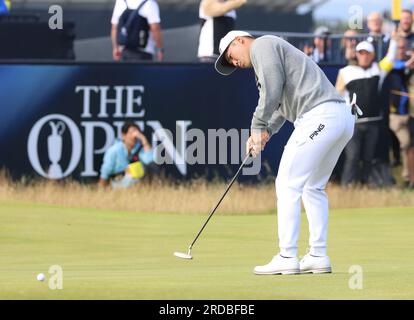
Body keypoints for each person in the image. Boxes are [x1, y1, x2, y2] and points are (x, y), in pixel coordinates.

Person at [215, 30, 356, 275]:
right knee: (313, 187)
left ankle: (287, 256)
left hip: (319, 117)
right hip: (340, 118)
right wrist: (267, 130)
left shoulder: (262, 45)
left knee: (287, 184)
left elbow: (270, 91)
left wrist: (257, 127)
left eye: (231, 56)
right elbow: (279, 103)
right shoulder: (269, 55)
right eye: (230, 63)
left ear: (240, 40)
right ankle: (317, 255)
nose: (234, 63)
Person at [336, 39, 397, 187]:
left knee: (369, 157)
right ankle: (348, 186)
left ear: (372, 55)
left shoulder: (378, 69)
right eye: (361, 53)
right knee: (353, 156)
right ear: (356, 54)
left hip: (373, 122)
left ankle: (364, 185)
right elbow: (337, 95)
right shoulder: (345, 72)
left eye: (367, 53)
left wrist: (394, 40)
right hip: (353, 123)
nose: (364, 56)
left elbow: (391, 58)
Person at [388, 38, 414, 185]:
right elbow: (400, 65)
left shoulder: (406, 67)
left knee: (408, 146)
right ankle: (405, 177)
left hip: (407, 114)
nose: (402, 50)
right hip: (395, 115)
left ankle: (407, 178)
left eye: (404, 48)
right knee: (406, 143)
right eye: (400, 48)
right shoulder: (392, 64)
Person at [99, 122, 155, 188]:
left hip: (135, 183)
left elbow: (149, 160)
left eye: (137, 133)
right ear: (124, 135)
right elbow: (105, 172)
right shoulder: (114, 150)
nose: (134, 136)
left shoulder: (138, 148)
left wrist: (144, 140)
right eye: (131, 133)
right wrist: (101, 190)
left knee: (145, 168)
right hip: (117, 183)